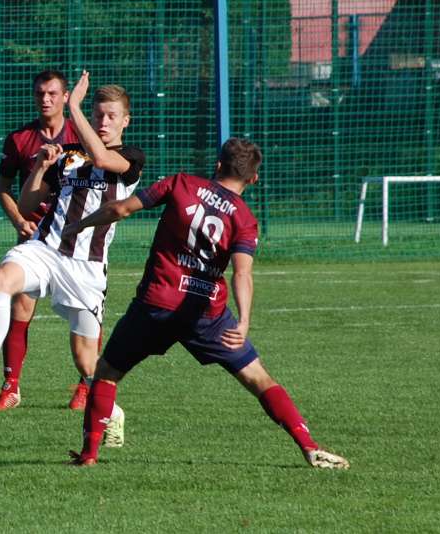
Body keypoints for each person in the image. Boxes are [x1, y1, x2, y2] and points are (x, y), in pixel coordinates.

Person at [62, 137, 350, 469]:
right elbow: (242, 273)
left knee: (107, 374)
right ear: (253, 179)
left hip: (156, 304)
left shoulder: (180, 183)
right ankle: (310, 447)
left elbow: (121, 208)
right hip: (207, 314)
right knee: (259, 380)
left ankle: (89, 455)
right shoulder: (244, 219)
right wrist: (242, 322)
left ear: (217, 166)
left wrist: (78, 224)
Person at [0, 71, 144, 447]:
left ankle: (114, 412)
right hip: (46, 250)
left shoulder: (130, 158)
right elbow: (26, 204)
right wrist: (42, 166)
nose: (103, 122)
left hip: (86, 269)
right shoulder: (70, 158)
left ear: (126, 120)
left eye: (110, 116)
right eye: (98, 115)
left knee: (86, 362)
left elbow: (104, 159)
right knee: (2, 278)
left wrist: (73, 107)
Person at [0, 69, 85, 411]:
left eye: (52, 93)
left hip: (76, 243)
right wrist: (19, 219)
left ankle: (85, 385)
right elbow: (2, 187)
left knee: (83, 317)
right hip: (36, 241)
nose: (45, 99)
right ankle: (11, 386)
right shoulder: (20, 139)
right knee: (20, 305)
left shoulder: (82, 135)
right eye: (40, 94)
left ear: (64, 97)